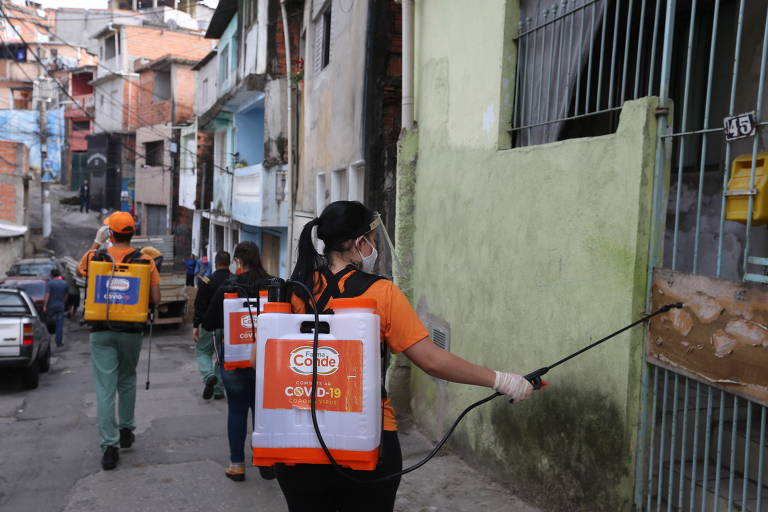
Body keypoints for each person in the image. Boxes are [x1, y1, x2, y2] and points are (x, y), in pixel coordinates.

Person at [275, 201, 534, 512]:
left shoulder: (292, 291)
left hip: (297, 437)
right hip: (366, 440)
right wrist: (502, 380)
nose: (374, 245)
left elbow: (258, 358)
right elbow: (431, 360)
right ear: (359, 242)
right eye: (371, 238)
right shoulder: (382, 293)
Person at [76, 211, 161, 471]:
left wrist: (98, 242)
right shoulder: (145, 261)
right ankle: (126, 430)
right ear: (132, 233)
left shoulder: (95, 257)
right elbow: (156, 299)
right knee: (126, 380)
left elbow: (81, 271)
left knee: (104, 389)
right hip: (131, 331)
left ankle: (109, 447)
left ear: (110, 233)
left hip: (101, 330)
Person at [202, 241, 273, 482]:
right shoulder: (273, 286)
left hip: (234, 360)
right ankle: (266, 462)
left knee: (238, 410)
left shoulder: (228, 287)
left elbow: (209, 323)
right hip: (266, 360)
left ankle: (237, 465)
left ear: (238, 261)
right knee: (263, 412)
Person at [193, 251, 230, 400]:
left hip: (210, 326)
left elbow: (199, 305)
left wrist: (196, 325)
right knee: (222, 358)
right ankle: (219, 390)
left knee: (203, 351)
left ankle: (209, 376)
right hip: (229, 327)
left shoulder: (208, 281)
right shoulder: (234, 280)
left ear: (215, 263)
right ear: (229, 263)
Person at [43, 269, 69, 348]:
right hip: (60, 306)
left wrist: (44, 305)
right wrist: (63, 302)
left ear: (51, 275)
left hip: (51, 306)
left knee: (47, 324)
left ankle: (47, 342)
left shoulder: (49, 283)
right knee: (59, 325)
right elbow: (66, 295)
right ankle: (59, 342)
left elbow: (47, 295)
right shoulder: (64, 283)